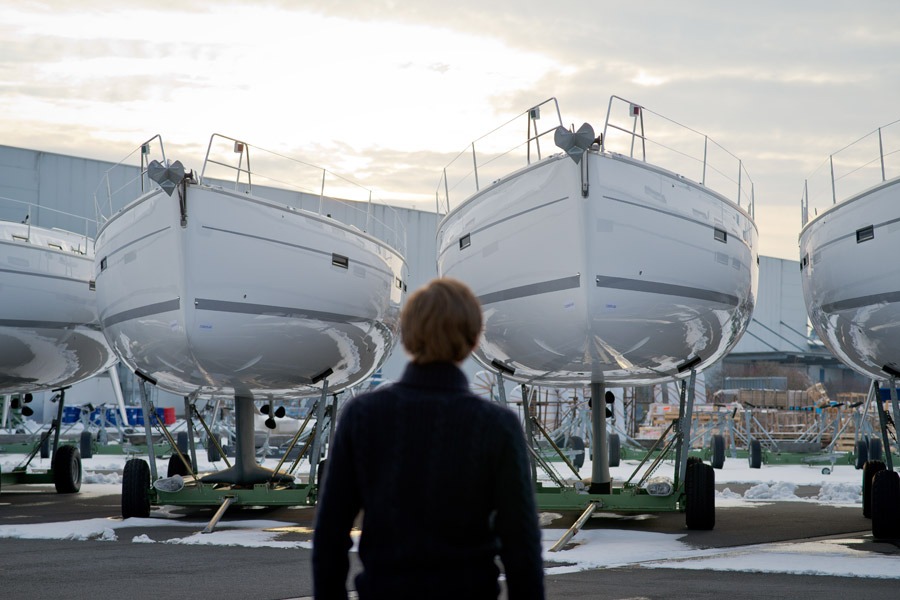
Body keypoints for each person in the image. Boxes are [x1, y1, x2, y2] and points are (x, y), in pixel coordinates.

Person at [312, 277, 545, 599]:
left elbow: (330, 532)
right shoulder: (496, 425)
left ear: (406, 335)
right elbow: (521, 542)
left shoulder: (363, 416)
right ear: (474, 338)